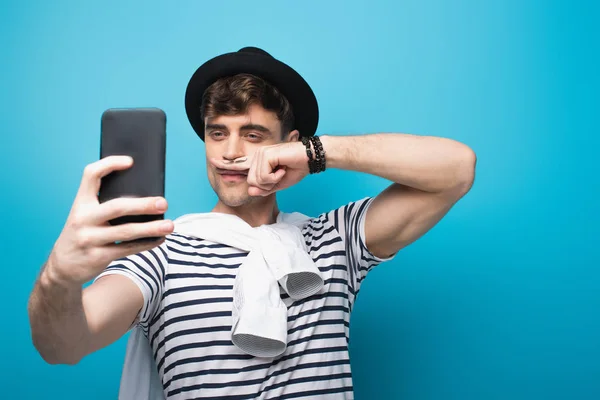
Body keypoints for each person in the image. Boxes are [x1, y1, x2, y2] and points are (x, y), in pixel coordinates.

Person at [28, 46, 477, 399]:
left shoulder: (333, 241)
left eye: (253, 134)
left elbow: (457, 170)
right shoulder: (160, 252)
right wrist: (59, 278)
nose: (229, 152)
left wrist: (319, 155)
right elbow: (63, 346)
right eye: (217, 132)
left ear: (290, 144)